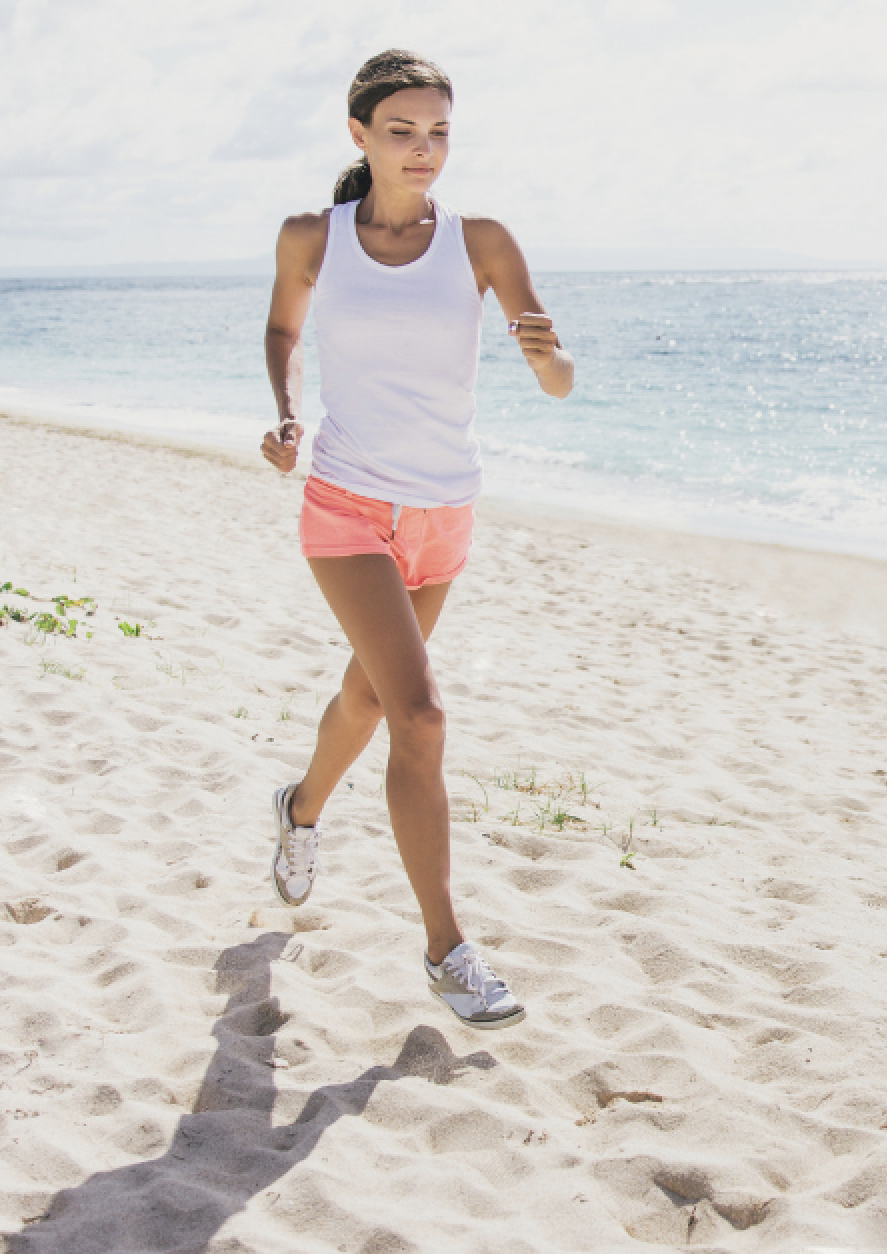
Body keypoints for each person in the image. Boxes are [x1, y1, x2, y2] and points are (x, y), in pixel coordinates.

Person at [258, 50, 573, 1030]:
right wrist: (284, 413)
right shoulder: (313, 237)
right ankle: (448, 950)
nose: (423, 150)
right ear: (360, 135)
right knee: (420, 717)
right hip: (347, 505)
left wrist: (547, 356)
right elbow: (282, 332)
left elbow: (557, 376)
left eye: (438, 132)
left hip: (445, 514)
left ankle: (300, 808)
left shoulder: (481, 242)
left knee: (368, 693)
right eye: (402, 131)